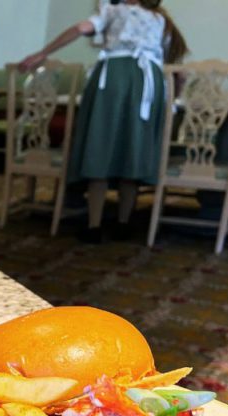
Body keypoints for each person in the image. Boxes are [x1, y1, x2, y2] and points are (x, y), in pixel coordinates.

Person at [19, 0, 188, 242]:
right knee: (134, 148)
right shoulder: (161, 21)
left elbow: (79, 29)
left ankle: (94, 224)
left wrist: (43, 52)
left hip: (114, 79)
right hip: (146, 82)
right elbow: (174, 65)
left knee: (100, 143)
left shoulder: (111, 11)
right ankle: (123, 222)